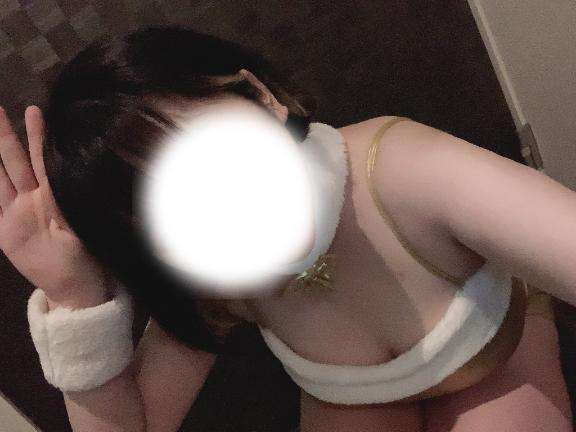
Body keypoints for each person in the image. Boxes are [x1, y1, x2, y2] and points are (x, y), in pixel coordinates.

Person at [0, 25, 572, 431]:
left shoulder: (401, 169)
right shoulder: (216, 282)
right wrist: (74, 299)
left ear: (260, 97)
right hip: (353, 398)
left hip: (494, 351)